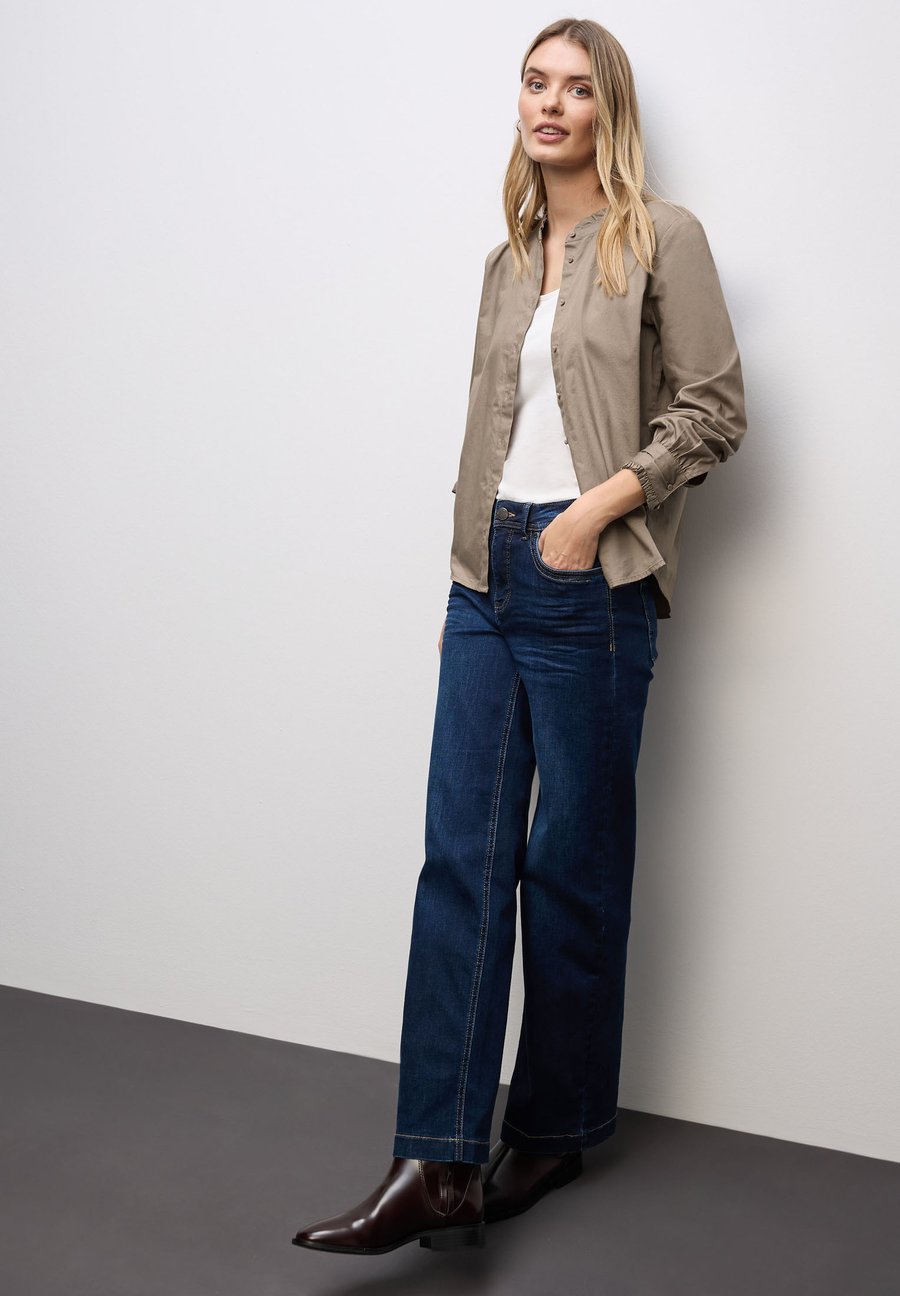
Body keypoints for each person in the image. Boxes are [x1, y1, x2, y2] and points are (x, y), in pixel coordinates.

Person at [292, 16, 746, 1257]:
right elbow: (491, 430)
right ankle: (435, 1160)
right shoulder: (508, 259)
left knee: (570, 872)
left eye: (576, 88)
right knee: (461, 861)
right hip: (486, 579)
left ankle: (552, 1129)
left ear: (611, 111)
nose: (550, 104)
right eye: (535, 83)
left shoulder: (662, 239)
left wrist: (593, 515)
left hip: (592, 581)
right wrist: (470, 573)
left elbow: (714, 410)